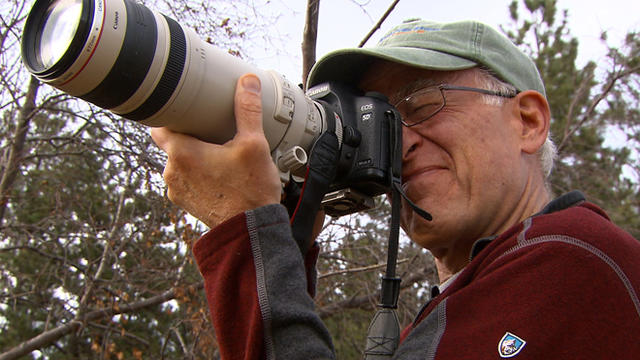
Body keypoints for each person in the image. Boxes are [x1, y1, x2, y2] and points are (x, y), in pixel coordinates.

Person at [151, 19, 640, 359]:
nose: (398, 143)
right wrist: (283, 246)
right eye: (380, 122)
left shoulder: (579, 261)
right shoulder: (459, 313)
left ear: (527, 122)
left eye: (424, 102)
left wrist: (246, 236)